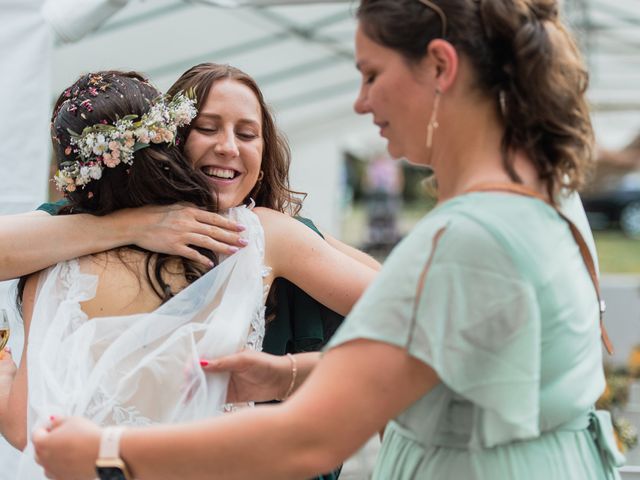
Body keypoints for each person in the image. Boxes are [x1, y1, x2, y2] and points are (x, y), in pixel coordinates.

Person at [30, 0, 625, 479]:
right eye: (205, 129)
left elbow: (309, 438)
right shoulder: (540, 197)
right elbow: (450, 356)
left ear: (441, 67)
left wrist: (109, 452)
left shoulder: (468, 236)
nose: (361, 101)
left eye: (371, 74)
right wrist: (288, 375)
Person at [0, 70, 376, 478]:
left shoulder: (272, 231)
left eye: (247, 134)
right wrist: (132, 226)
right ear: (172, 142)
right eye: (207, 128)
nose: (228, 147)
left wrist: (304, 231)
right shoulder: (262, 236)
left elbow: (25, 428)